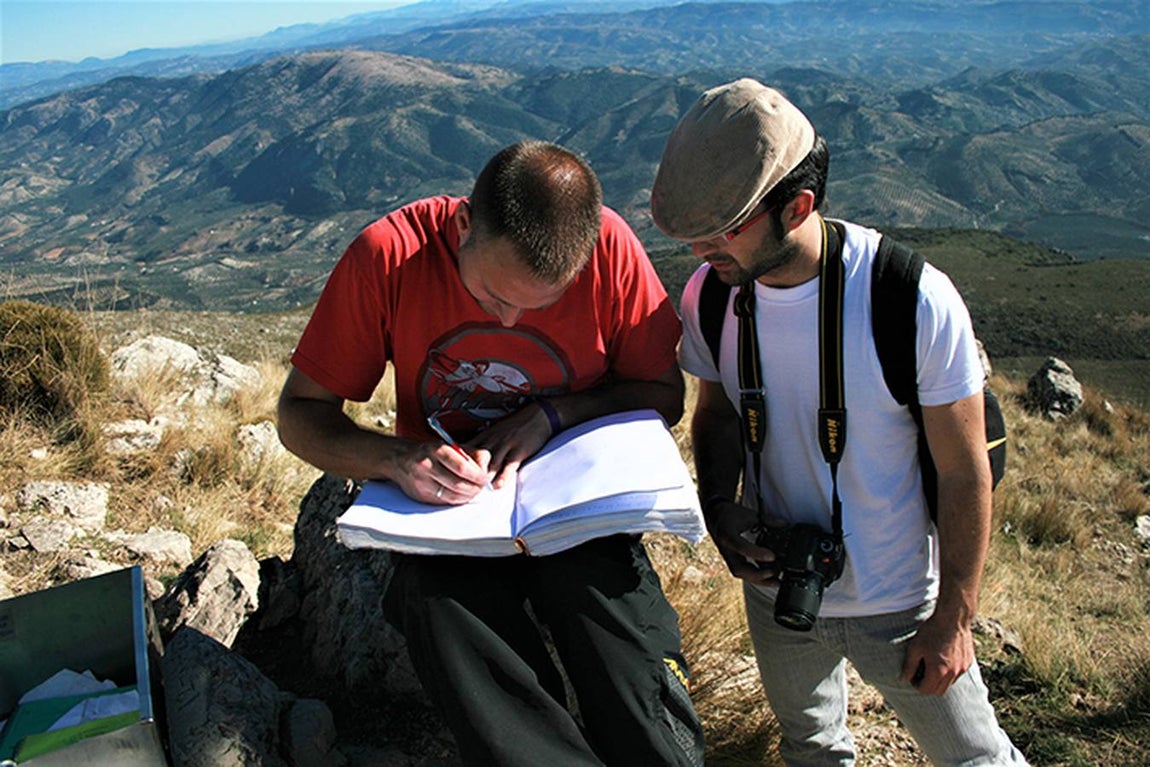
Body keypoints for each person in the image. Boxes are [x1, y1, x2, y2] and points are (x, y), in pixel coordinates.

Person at [277, 140, 704, 766]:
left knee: (619, 635)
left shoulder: (608, 248)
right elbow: (299, 416)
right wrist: (397, 459)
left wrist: (552, 415)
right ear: (462, 225)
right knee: (442, 612)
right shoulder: (389, 258)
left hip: (573, 505)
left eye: (538, 304)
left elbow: (664, 395)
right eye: (493, 296)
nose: (510, 322)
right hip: (453, 515)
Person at [650, 78, 1028, 765]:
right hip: (778, 588)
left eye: (724, 228)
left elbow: (964, 467)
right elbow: (719, 415)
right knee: (813, 747)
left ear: (798, 206)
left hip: (900, 599)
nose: (703, 249)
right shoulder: (713, 294)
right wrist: (719, 510)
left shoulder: (908, 298)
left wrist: (954, 619)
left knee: (975, 757)